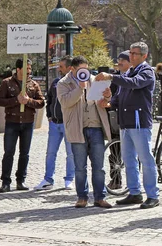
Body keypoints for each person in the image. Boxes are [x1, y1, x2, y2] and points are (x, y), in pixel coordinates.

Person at [95, 41, 159, 209]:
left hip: (139, 122)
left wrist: (112, 77)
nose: (131, 56)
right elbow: (120, 97)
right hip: (125, 122)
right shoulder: (129, 72)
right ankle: (134, 192)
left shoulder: (146, 71)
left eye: (134, 54)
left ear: (144, 56)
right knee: (129, 160)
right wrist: (108, 101)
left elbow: (135, 83)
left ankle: (152, 195)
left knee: (145, 159)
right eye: (130, 53)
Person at [58, 56, 113, 208]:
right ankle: (82, 197)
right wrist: (79, 88)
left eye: (86, 69)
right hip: (77, 129)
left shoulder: (96, 80)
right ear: (73, 69)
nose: (85, 72)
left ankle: (100, 197)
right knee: (80, 167)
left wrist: (107, 95)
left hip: (95, 128)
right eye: (81, 69)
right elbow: (66, 102)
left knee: (99, 167)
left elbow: (105, 100)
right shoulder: (63, 83)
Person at [0, 58, 45, 192]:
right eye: (26, 68)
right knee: (8, 152)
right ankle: (5, 182)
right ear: (18, 69)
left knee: (25, 153)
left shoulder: (33, 84)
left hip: (28, 123)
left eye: (30, 68)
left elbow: (41, 103)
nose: (29, 71)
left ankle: (20, 180)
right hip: (12, 122)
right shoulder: (7, 83)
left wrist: (28, 101)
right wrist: (15, 100)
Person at [34, 56, 75, 191]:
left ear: (69, 68)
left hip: (68, 124)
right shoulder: (56, 82)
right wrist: (49, 116)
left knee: (71, 154)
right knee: (51, 153)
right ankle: (48, 179)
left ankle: (69, 179)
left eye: (61, 66)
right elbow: (50, 99)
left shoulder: (75, 83)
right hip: (54, 124)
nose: (59, 69)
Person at [107, 51, 132, 190]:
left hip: (129, 120)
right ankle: (116, 180)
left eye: (123, 60)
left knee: (132, 154)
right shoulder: (116, 78)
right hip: (115, 120)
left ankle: (133, 184)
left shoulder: (132, 77)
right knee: (114, 153)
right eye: (119, 59)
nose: (120, 62)